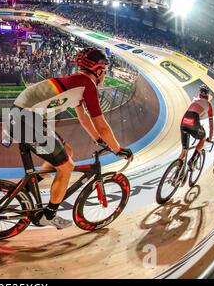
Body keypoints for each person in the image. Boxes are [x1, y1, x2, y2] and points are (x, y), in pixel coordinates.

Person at [8, 47, 133, 229]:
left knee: (67, 152)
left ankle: (26, 189)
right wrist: (117, 149)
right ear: (97, 70)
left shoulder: (78, 83)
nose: (105, 75)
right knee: (66, 167)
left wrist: (99, 140)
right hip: (26, 118)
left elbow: (84, 117)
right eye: (104, 70)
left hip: (26, 116)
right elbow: (101, 123)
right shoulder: (87, 85)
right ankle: (49, 215)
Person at [179, 85, 213, 168]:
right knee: (203, 138)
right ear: (207, 95)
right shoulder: (209, 105)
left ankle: (177, 173)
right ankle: (192, 160)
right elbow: (211, 124)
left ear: (200, 94)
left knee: (184, 151)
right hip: (193, 121)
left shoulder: (194, 101)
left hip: (184, 121)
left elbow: (192, 115)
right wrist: (210, 137)